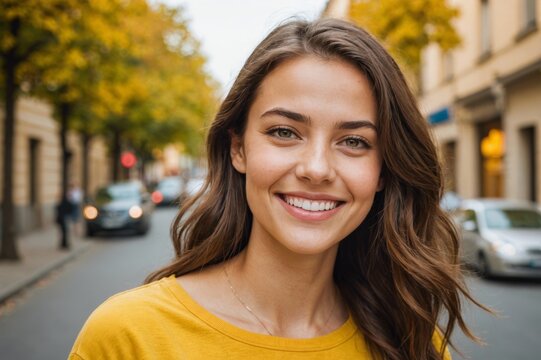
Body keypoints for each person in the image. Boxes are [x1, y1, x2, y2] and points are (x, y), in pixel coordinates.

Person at [69, 18, 485, 359]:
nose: (317, 168)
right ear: (238, 149)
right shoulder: (126, 338)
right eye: (285, 132)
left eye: (354, 141)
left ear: (383, 171)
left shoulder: (413, 343)